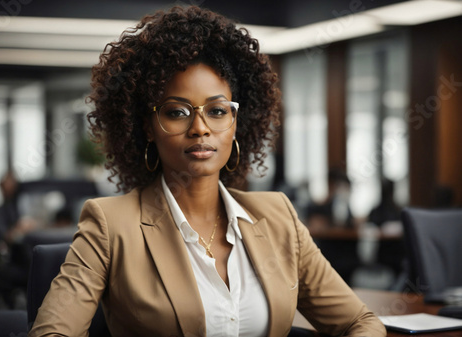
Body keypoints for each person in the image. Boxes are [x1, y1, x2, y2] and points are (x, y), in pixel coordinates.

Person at [29, 6, 385, 337]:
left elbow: (360, 321)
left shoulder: (279, 218)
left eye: (217, 111)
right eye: (177, 111)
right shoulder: (110, 226)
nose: (200, 128)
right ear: (148, 127)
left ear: (235, 124)